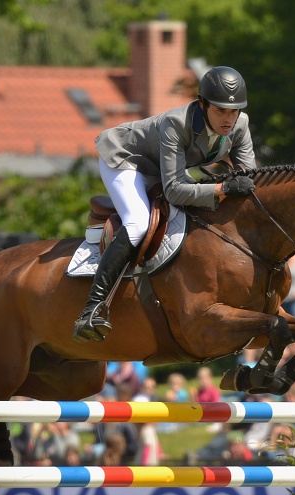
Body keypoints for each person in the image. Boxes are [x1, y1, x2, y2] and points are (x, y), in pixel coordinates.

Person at [74, 66, 258, 341]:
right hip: (127, 160)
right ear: (203, 104)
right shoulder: (177, 123)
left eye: (233, 111)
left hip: (164, 167)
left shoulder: (240, 125)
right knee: (137, 223)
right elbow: (173, 191)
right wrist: (222, 187)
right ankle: (92, 309)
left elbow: (250, 176)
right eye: (220, 110)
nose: (228, 119)